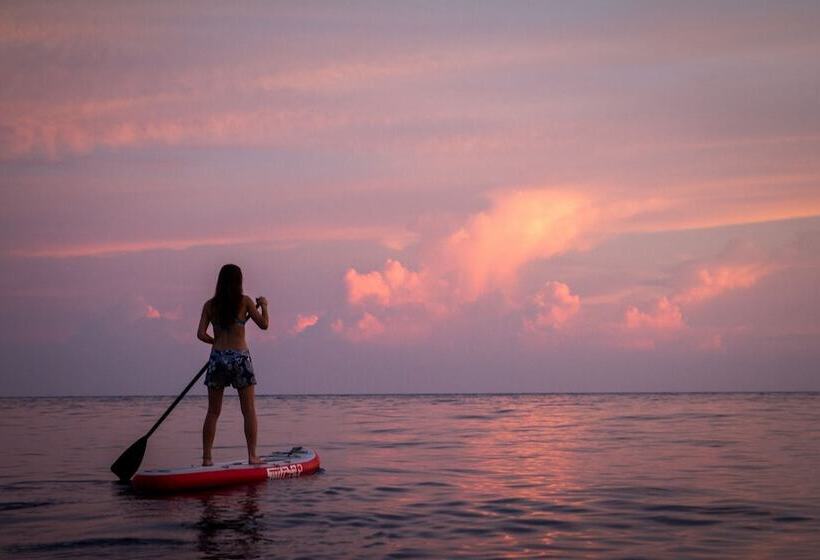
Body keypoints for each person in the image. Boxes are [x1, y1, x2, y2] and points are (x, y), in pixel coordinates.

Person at [197, 264, 269, 466]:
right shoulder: (245, 302)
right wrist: (264, 305)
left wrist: (217, 344)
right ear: (239, 281)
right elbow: (264, 325)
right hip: (240, 359)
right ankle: (252, 456)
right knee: (248, 410)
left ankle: (207, 458)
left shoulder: (209, 305)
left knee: (213, 411)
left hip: (217, 358)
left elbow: (200, 334)